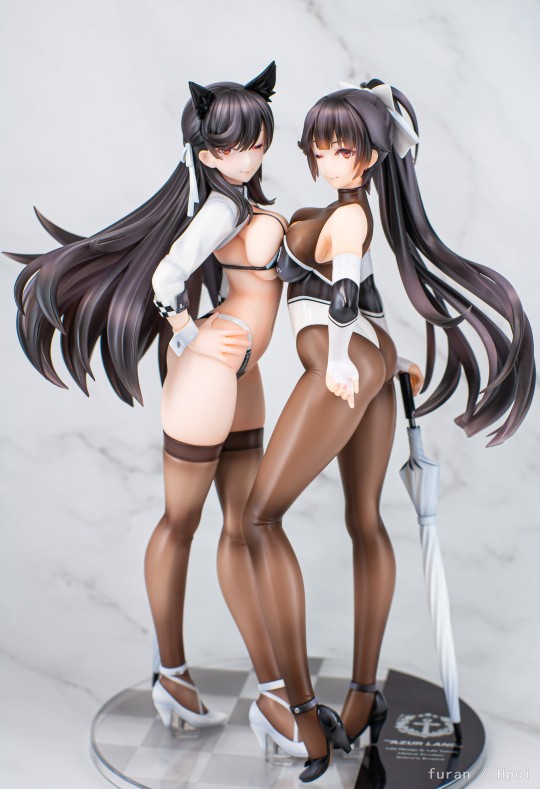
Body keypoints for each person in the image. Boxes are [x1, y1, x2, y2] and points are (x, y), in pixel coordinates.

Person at [9, 63, 307, 757]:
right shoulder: (222, 210)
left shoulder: (244, 202)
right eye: (238, 145)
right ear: (207, 151)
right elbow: (167, 275)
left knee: (243, 527)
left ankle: (270, 691)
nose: (252, 154)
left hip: (243, 372)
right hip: (211, 370)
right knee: (184, 522)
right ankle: (175, 673)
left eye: (259, 140)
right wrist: (189, 337)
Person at [242, 79, 535, 782]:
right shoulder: (348, 211)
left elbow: (343, 294)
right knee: (364, 520)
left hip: (339, 362)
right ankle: (364, 694)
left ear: (371, 156)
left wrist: (346, 361)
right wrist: (385, 355)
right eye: (319, 147)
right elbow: (365, 294)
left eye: (341, 149)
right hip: (367, 357)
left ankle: (304, 718)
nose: (326, 159)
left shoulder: (347, 219)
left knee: (259, 519)